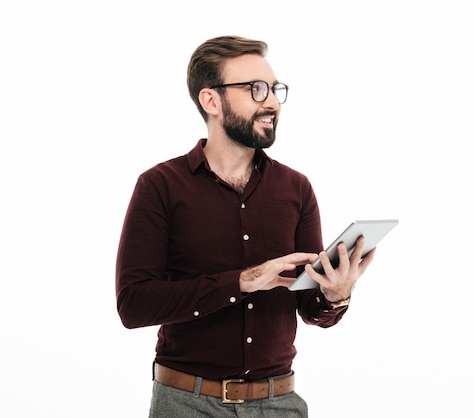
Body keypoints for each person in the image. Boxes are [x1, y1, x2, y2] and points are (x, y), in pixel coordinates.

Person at [115, 35, 376, 418]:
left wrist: (335, 294)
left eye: (273, 89)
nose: (271, 102)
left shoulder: (296, 188)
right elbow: (133, 305)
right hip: (186, 403)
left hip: (279, 404)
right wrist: (241, 281)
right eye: (255, 89)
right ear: (211, 101)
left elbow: (309, 306)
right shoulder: (160, 186)